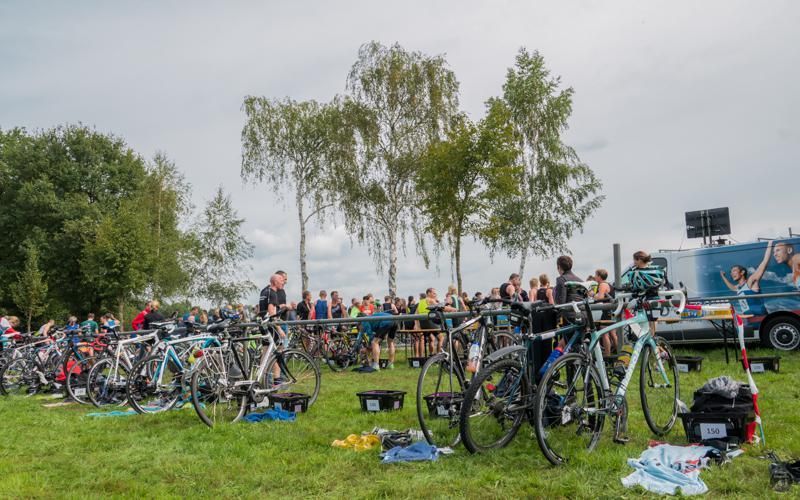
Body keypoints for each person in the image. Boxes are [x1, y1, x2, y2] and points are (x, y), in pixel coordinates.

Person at [720, 243, 771, 316]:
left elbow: (764, 263)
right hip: (749, 319)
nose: (732, 273)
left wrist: (770, 244)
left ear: (742, 272)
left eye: (734, 270)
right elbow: (732, 287)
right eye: (731, 272)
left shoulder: (750, 282)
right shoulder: (739, 288)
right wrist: (723, 276)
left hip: (759, 317)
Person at [594, 269, 618, 356]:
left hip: (607, 311)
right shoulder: (608, 284)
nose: (595, 277)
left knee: (604, 333)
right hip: (611, 310)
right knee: (612, 333)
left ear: (599, 276)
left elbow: (600, 297)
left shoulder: (602, 284)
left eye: (596, 275)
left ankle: (607, 355)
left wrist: (592, 295)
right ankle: (618, 352)